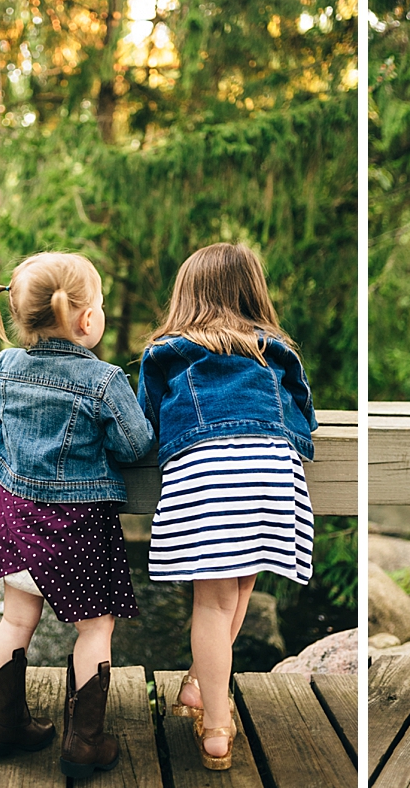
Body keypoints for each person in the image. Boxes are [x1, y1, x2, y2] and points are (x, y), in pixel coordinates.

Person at [0, 252, 155, 779]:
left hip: (17, 520)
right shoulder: (103, 380)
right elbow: (136, 442)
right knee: (94, 629)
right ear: (87, 319)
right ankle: (84, 741)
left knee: (16, 620)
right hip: (79, 528)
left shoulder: (4, 368)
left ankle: (1, 726)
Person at [138, 242, 316, 771]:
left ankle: (217, 728)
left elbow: (145, 424)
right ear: (254, 293)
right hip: (272, 476)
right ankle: (197, 685)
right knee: (244, 579)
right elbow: (305, 415)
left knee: (211, 602)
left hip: (207, 475)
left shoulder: (167, 353)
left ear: (186, 296)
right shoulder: (275, 351)